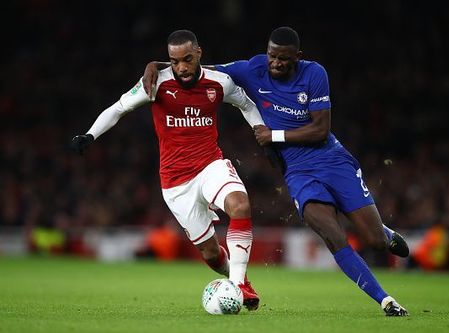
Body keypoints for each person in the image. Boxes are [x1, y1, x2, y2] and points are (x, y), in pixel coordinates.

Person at [143, 26, 409, 316]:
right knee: (333, 236)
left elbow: (321, 130)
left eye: (283, 58)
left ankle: (381, 231)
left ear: (298, 57)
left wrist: (274, 136)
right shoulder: (253, 69)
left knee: (375, 242)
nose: (276, 63)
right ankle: (386, 300)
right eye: (272, 56)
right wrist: (154, 65)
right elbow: (195, 67)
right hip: (297, 172)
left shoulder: (315, 74)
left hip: (332, 161)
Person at [70, 30, 263, 310]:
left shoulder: (219, 83)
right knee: (210, 254)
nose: (181, 67)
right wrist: (90, 135)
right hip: (175, 183)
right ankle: (236, 278)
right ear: (168, 60)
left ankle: (238, 286)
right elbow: (119, 108)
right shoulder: (156, 83)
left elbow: (247, 104)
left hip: (211, 165)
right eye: (174, 62)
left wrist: (260, 130)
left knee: (240, 205)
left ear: (199, 53)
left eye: (187, 59)